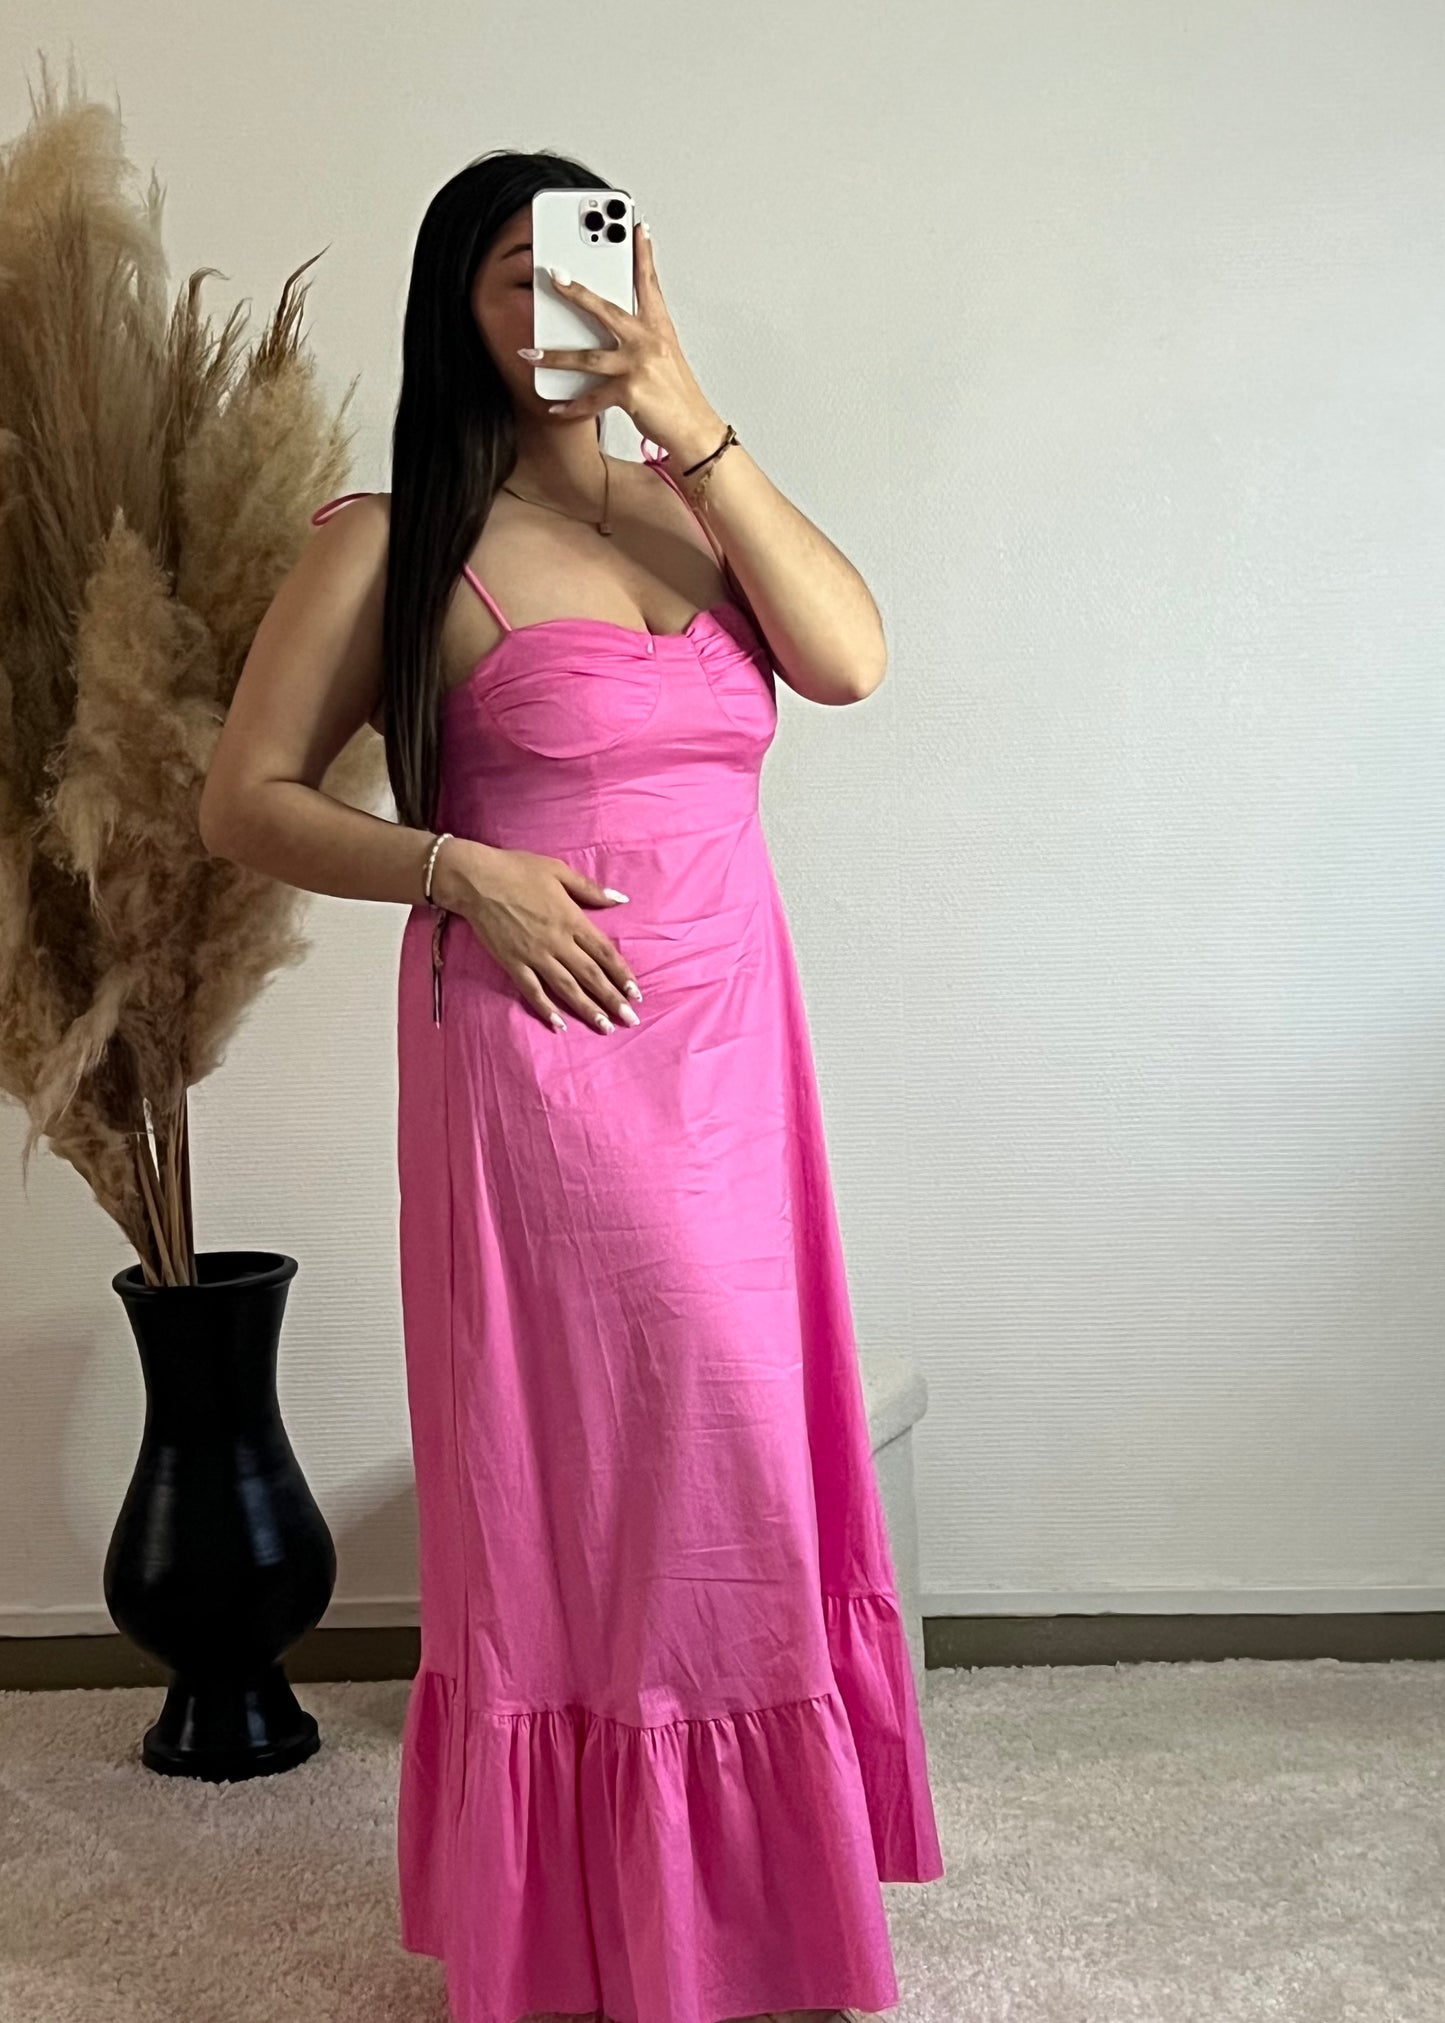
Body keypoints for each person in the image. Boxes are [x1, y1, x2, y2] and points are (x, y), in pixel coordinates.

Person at [199, 147, 943, 2023]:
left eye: (593, 266)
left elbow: (850, 659)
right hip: (543, 1058)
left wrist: (685, 410)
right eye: (517, 276)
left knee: (740, 1460)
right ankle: (605, 1925)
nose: (561, 307)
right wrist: (456, 868)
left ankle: (748, 1915)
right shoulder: (395, 538)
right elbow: (245, 803)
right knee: (615, 1467)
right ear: (455, 308)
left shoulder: (693, 507)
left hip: (734, 1054)